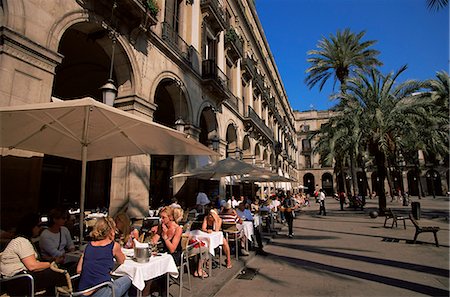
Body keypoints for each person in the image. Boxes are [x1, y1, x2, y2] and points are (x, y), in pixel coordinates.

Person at [0, 213, 67, 296]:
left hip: (21, 278)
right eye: (38, 226)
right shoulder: (21, 241)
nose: (40, 229)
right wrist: (52, 264)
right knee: (56, 274)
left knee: (54, 274)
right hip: (18, 280)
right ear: (30, 227)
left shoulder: (23, 240)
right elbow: (32, 266)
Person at [77, 217, 131, 297]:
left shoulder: (88, 246)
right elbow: (121, 261)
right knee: (129, 278)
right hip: (101, 292)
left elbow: (79, 270)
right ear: (111, 231)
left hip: (83, 293)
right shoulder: (113, 246)